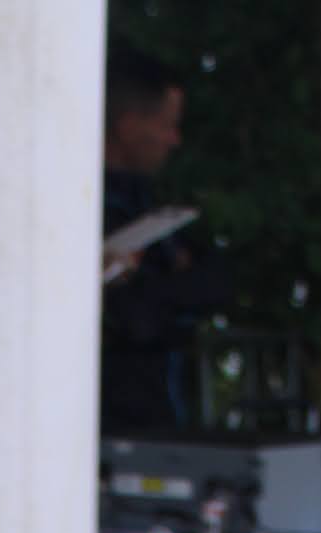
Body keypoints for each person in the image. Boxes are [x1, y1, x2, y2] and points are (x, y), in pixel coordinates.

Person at [99, 45, 227, 437]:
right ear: (128, 125)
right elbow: (134, 318)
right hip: (110, 422)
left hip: (159, 419)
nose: (174, 140)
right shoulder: (83, 207)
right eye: (166, 125)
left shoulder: (149, 202)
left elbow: (216, 281)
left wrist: (155, 292)